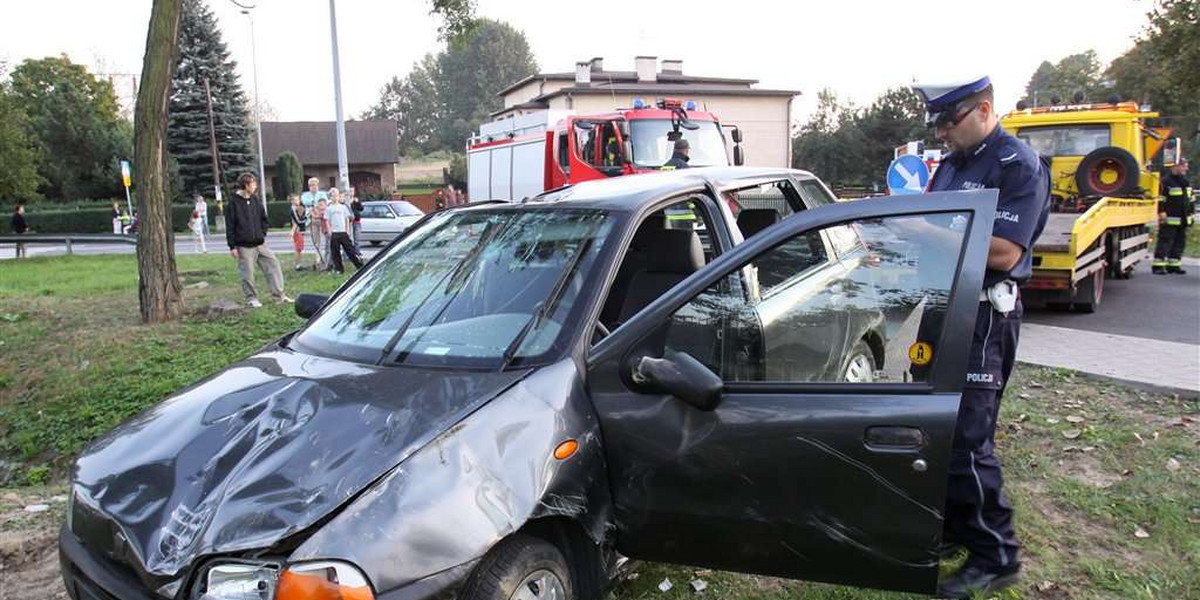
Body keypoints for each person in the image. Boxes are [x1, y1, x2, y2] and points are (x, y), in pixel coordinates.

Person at [913, 76, 1050, 599]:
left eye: (949, 121)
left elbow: (1004, 253)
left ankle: (997, 555)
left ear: (984, 110)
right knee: (937, 430)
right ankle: (953, 528)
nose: (942, 132)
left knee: (968, 441)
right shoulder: (951, 163)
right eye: (938, 123)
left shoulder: (1017, 165)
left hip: (984, 315)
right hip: (942, 308)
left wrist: (924, 230)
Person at [225, 172, 290, 307]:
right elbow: (230, 225)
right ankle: (251, 298)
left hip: (260, 244)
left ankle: (279, 295)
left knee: (273, 264)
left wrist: (262, 233)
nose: (255, 186)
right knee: (248, 273)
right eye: (252, 183)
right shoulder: (234, 203)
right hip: (244, 246)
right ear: (245, 185)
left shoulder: (255, 200)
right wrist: (232, 246)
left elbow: (263, 219)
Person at [1152, 158, 1192, 274]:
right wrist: (1161, 212)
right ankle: (1158, 265)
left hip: (1183, 219)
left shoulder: (1185, 181)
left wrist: (1190, 215)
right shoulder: (1165, 182)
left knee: (1179, 242)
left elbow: (1190, 200)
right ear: (1176, 166)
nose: (1186, 169)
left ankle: (1173, 265)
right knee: (1165, 241)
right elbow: (1161, 200)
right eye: (1184, 166)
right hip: (1169, 219)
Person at [324, 188, 363, 274]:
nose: (335, 197)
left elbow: (347, 219)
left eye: (336, 195)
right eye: (333, 196)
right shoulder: (329, 208)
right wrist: (329, 230)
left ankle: (359, 265)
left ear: (339, 196)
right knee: (335, 252)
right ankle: (339, 269)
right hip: (334, 232)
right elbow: (327, 221)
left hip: (343, 231)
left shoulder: (343, 207)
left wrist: (347, 230)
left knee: (350, 250)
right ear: (330, 197)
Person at [310, 197, 330, 271]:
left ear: (326, 205)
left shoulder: (325, 211)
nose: (320, 207)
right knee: (327, 248)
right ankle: (326, 263)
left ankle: (327, 264)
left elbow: (316, 216)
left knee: (328, 248)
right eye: (319, 205)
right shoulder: (322, 211)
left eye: (321, 205)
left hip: (328, 231)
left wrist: (312, 212)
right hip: (325, 232)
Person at [288, 193, 307, 270]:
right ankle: (297, 265)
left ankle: (299, 264)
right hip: (297, 230)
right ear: (292, 201)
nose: (297, 201)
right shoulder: (293, 209)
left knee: (300, 248)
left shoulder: (299, 208)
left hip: (301, 230)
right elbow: (298, 221)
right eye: (295, 200)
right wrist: (306, 218)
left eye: (298, 199)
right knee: (298, 248)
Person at [348, 186, 364, 253]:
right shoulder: (346, 201)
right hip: (349, 222)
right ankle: (350, 253)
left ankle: (357, 252)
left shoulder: (356, 200)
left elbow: (361, 208)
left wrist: (357, 202)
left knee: (357, 239)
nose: (351, 193)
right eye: (350, 191)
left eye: (352, 191)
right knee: (349, 239)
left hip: (357, 222)